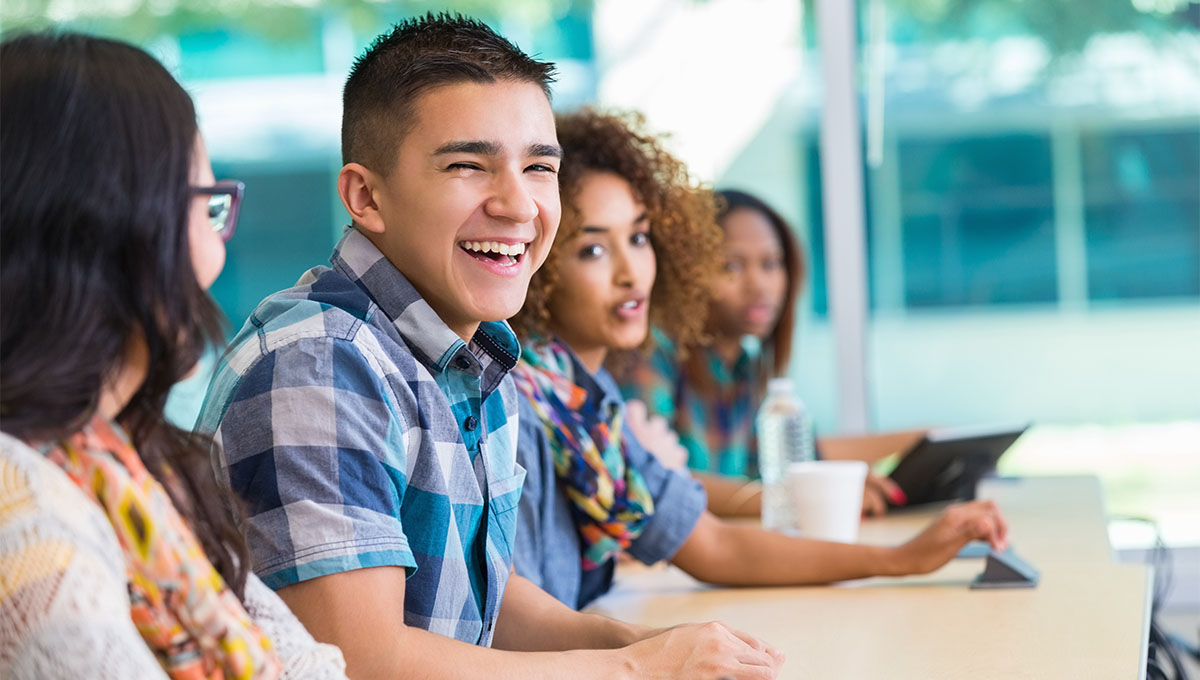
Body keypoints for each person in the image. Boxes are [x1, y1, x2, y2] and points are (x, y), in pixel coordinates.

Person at [195, 13, 782, 680]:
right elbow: (359, 660)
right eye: (469, 165)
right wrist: (636, 669)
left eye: (538, 167)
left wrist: (638, 642)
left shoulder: (471, 354)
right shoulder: (321, 362)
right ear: (366, 196)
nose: (519, 205)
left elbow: (478, 598)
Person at [510, 108, 1009, 610]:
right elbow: (512, 625)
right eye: (594, 250)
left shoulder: (586, 404)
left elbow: (717, 546)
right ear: (538, 255)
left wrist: (903, 559)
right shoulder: (519, 406)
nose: (631, 272)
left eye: (639, 238)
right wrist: (645, 650)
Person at [0, 33, 346, 679]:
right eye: (206, 205)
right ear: (113, 224)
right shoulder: (25, 514)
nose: (216, 258)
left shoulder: (126, 461)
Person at [617, 188, 924, 517]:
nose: (760, 284)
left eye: (771, 264)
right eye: (731, 266)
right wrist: (796, 501)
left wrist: (920, 441)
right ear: (686, 275)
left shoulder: (744, 367)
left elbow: (802, 459)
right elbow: (650, 478)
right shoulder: (651, 352)